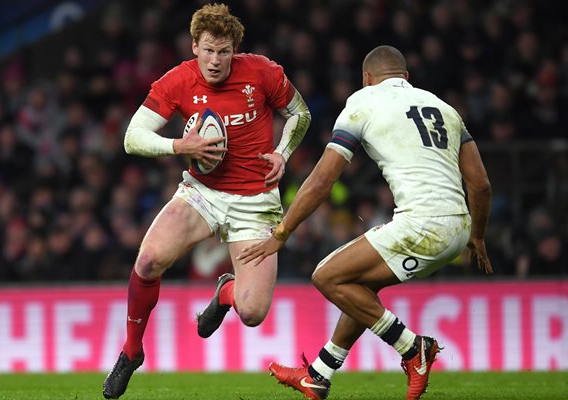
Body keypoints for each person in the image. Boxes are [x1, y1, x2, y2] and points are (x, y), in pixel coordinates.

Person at [239, 45, 493, 400]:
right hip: (459, 228)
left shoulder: (363, 101)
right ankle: (319, 376)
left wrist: (283, 231)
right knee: (357, 288)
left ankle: (412, 348)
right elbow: (480, 183)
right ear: (406, 77)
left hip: (422, 225)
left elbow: (323, 181)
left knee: (327, 276)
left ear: (367, 78)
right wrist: (477, 234)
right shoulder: (445, 108)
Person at [102, 4, 311, 399]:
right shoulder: (178, 80)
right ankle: (131, 351)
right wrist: (180, 145)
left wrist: (284, 151)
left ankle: (225, 293)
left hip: (256, 202)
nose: (216, 61)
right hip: (203, 194)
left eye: (225, 51)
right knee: (148, 260)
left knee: (252, 312)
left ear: (236, 50)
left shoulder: (264, 72)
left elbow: (299, 113)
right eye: (209, 50)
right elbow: (133, 137)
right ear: (194, 45)